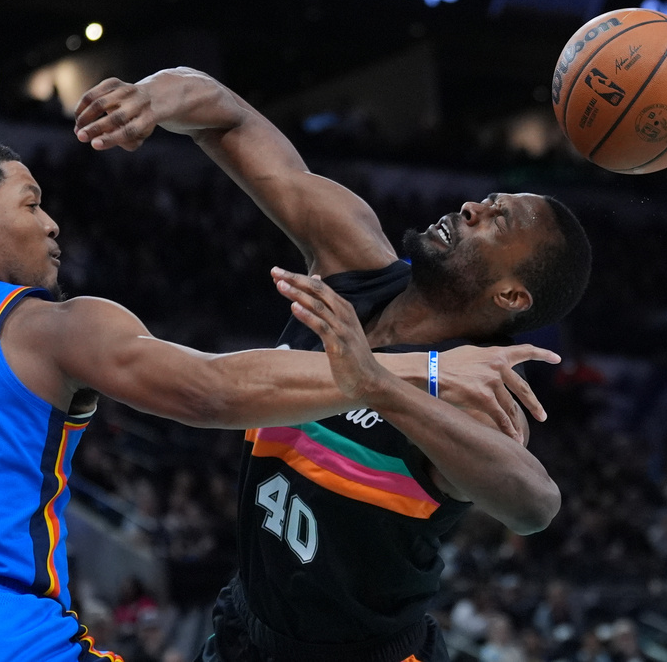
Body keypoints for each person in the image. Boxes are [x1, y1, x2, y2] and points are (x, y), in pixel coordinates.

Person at [0, 138, 560, 662]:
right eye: (32, 201)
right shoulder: (42, 326)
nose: (51, 224)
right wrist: (407, 372)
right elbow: (207, 389)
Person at [72, 67, 593, 662]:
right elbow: (227, 113)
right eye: (486, 201)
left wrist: (376, 383)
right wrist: (148, 99)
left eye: (497, 220)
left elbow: (535, 506)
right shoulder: (353, 255)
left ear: (510, 296)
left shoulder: (477, 385)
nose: (472, 207)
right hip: (248, 629)